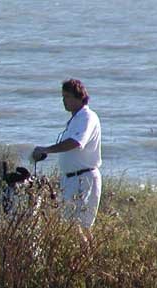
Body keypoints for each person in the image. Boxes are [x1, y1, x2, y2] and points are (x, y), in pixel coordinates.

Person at [32, 78, 102, 229]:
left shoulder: (87, 117)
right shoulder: (76, 119)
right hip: (71, 179)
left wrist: (47, 150)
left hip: (84, 178)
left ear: (79, 96)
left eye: (67, 97)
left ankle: (86, 253)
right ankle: (87, 253)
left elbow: (76, 142)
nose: (64, 101)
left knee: (76, 227)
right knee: (73, 226)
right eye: (63, 97)